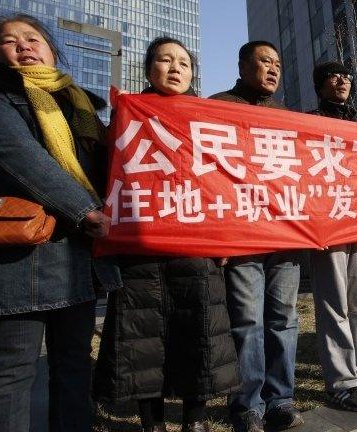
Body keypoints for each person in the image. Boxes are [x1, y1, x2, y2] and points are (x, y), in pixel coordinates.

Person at [0, 14, 120, 432]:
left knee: (73, 366)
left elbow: (114, 165)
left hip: (77, 257)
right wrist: (85, 210)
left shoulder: (79, 104)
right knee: (10, 371)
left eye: (32, 38)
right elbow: (18, 156)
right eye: (9, 41)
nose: (23, 46)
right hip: (19, 255)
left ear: (52, 49)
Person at [92, 37, 239, 432]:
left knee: (200, 333)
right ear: (147, 69)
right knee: (144, 339)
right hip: (141, 249)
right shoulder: (127, 116)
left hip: (196, 246)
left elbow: (223, 183)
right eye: (164, 60)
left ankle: (195, 419)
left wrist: (225, 238)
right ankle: (151, 422)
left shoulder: (207, 121)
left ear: (193, 73)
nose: (175, 68)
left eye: (184, 63)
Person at [209, 41, 303, 432]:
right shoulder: (216, 107)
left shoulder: (290, 117)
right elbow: (209, 176)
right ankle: (247, 404)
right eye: (265, 61)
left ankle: (280, 399)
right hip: (242, 234)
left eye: (278, 64)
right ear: (243, 65)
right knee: (247, 320)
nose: (273, 69)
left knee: (283, 318)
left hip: (285, 234)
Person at [305, 61, 357, 412]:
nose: (342, 81)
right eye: (334, 77)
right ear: (320, 86)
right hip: (328, 224)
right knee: (333, 302)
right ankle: (341, 383)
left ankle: (356, 370)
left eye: (348, 76)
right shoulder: (305, 122)